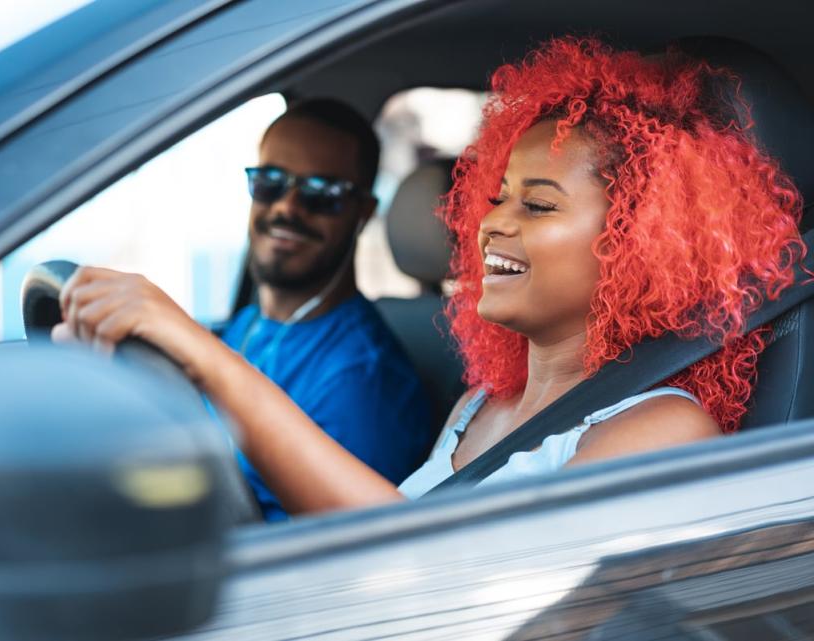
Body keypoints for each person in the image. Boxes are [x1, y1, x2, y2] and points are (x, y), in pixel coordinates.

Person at [54, 37, 804, 514]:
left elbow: (439, 581)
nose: (493, 223)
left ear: (638, 242)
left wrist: (207, 360)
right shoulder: (483, 402)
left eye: (538, 205)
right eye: (498, 194)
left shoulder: (660, 429)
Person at [61, 98, 435, 521]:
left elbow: (339, 554)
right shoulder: (251, 323)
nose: (286, 207)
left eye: (321, 194)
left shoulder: (362, 382)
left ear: (362, 213)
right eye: (270, 182)